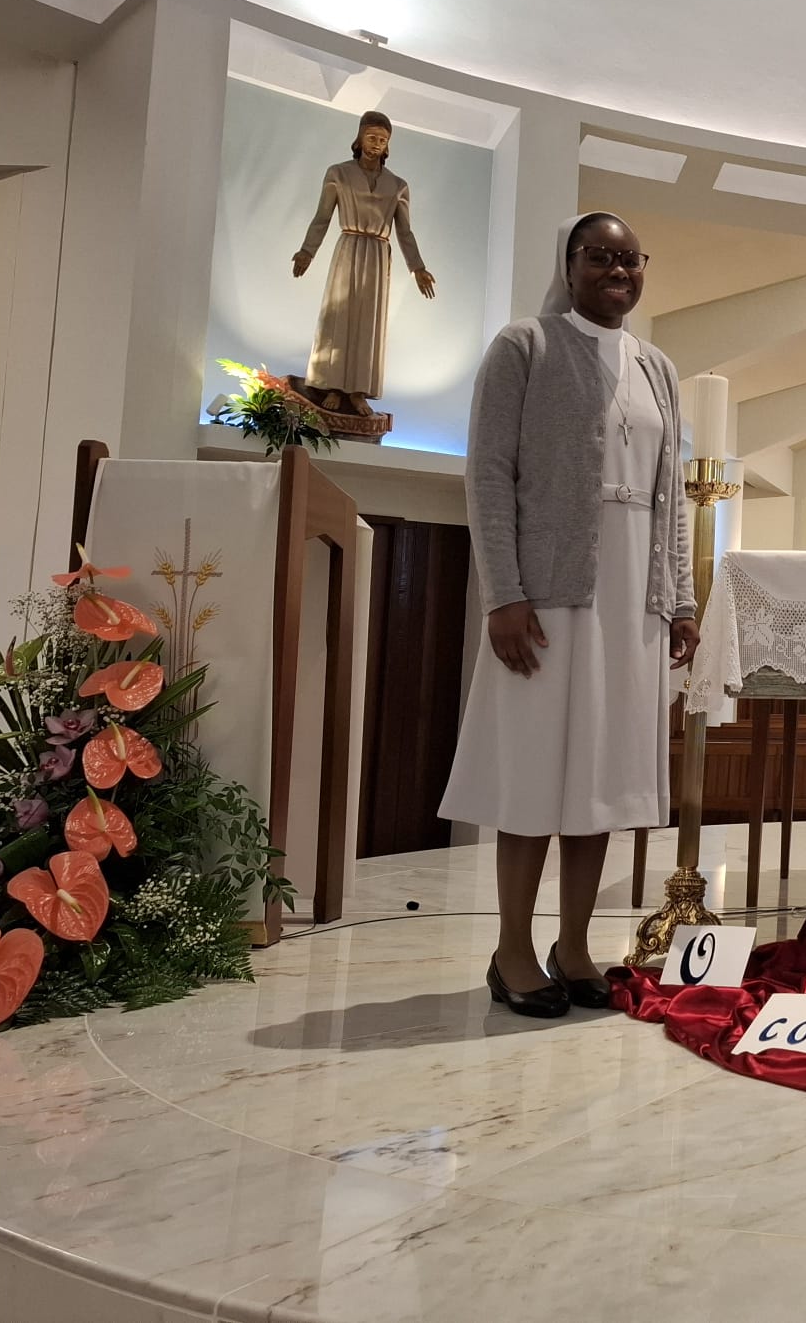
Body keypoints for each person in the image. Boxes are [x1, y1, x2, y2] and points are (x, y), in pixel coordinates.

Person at [438, 213, 699, 1018]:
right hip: (550, 593)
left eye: (630, 259)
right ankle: (513, 948)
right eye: (601, 258)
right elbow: (488, 475)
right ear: (571, 264)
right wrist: (502, 594)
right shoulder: (527, 346)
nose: (617, 271)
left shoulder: (657, 367)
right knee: (535, 772)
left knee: (604, 779)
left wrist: (681, 597)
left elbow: (672, 496)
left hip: (633, 601)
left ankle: (575, 944)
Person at [291, 110, 437, 417]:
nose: (376, 144)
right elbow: (323, 217)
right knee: (339, 315)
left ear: (388, 146)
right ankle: (332, 385)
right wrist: (307, 250)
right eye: (371, 137)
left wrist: (417, 268)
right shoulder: (339, 173)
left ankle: (357, 391)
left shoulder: (397, 185)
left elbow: (404, 230)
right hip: (349, 246)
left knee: (369, 323)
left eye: (383, 140)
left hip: (377, 253)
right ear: (359, 138)